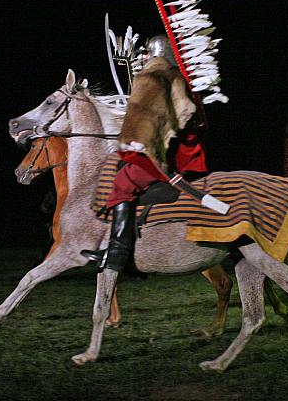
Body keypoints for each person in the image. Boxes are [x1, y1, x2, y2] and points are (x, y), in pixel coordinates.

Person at [85, 35, 209, 272]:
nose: (143, 57)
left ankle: (117, 254)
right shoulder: (163, 77)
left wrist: (155, 134)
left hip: (165, 154)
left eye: (146, 54)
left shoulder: (165, 78)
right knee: (117, 167)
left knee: (123, 182)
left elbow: (185, 111)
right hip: (156, 147)